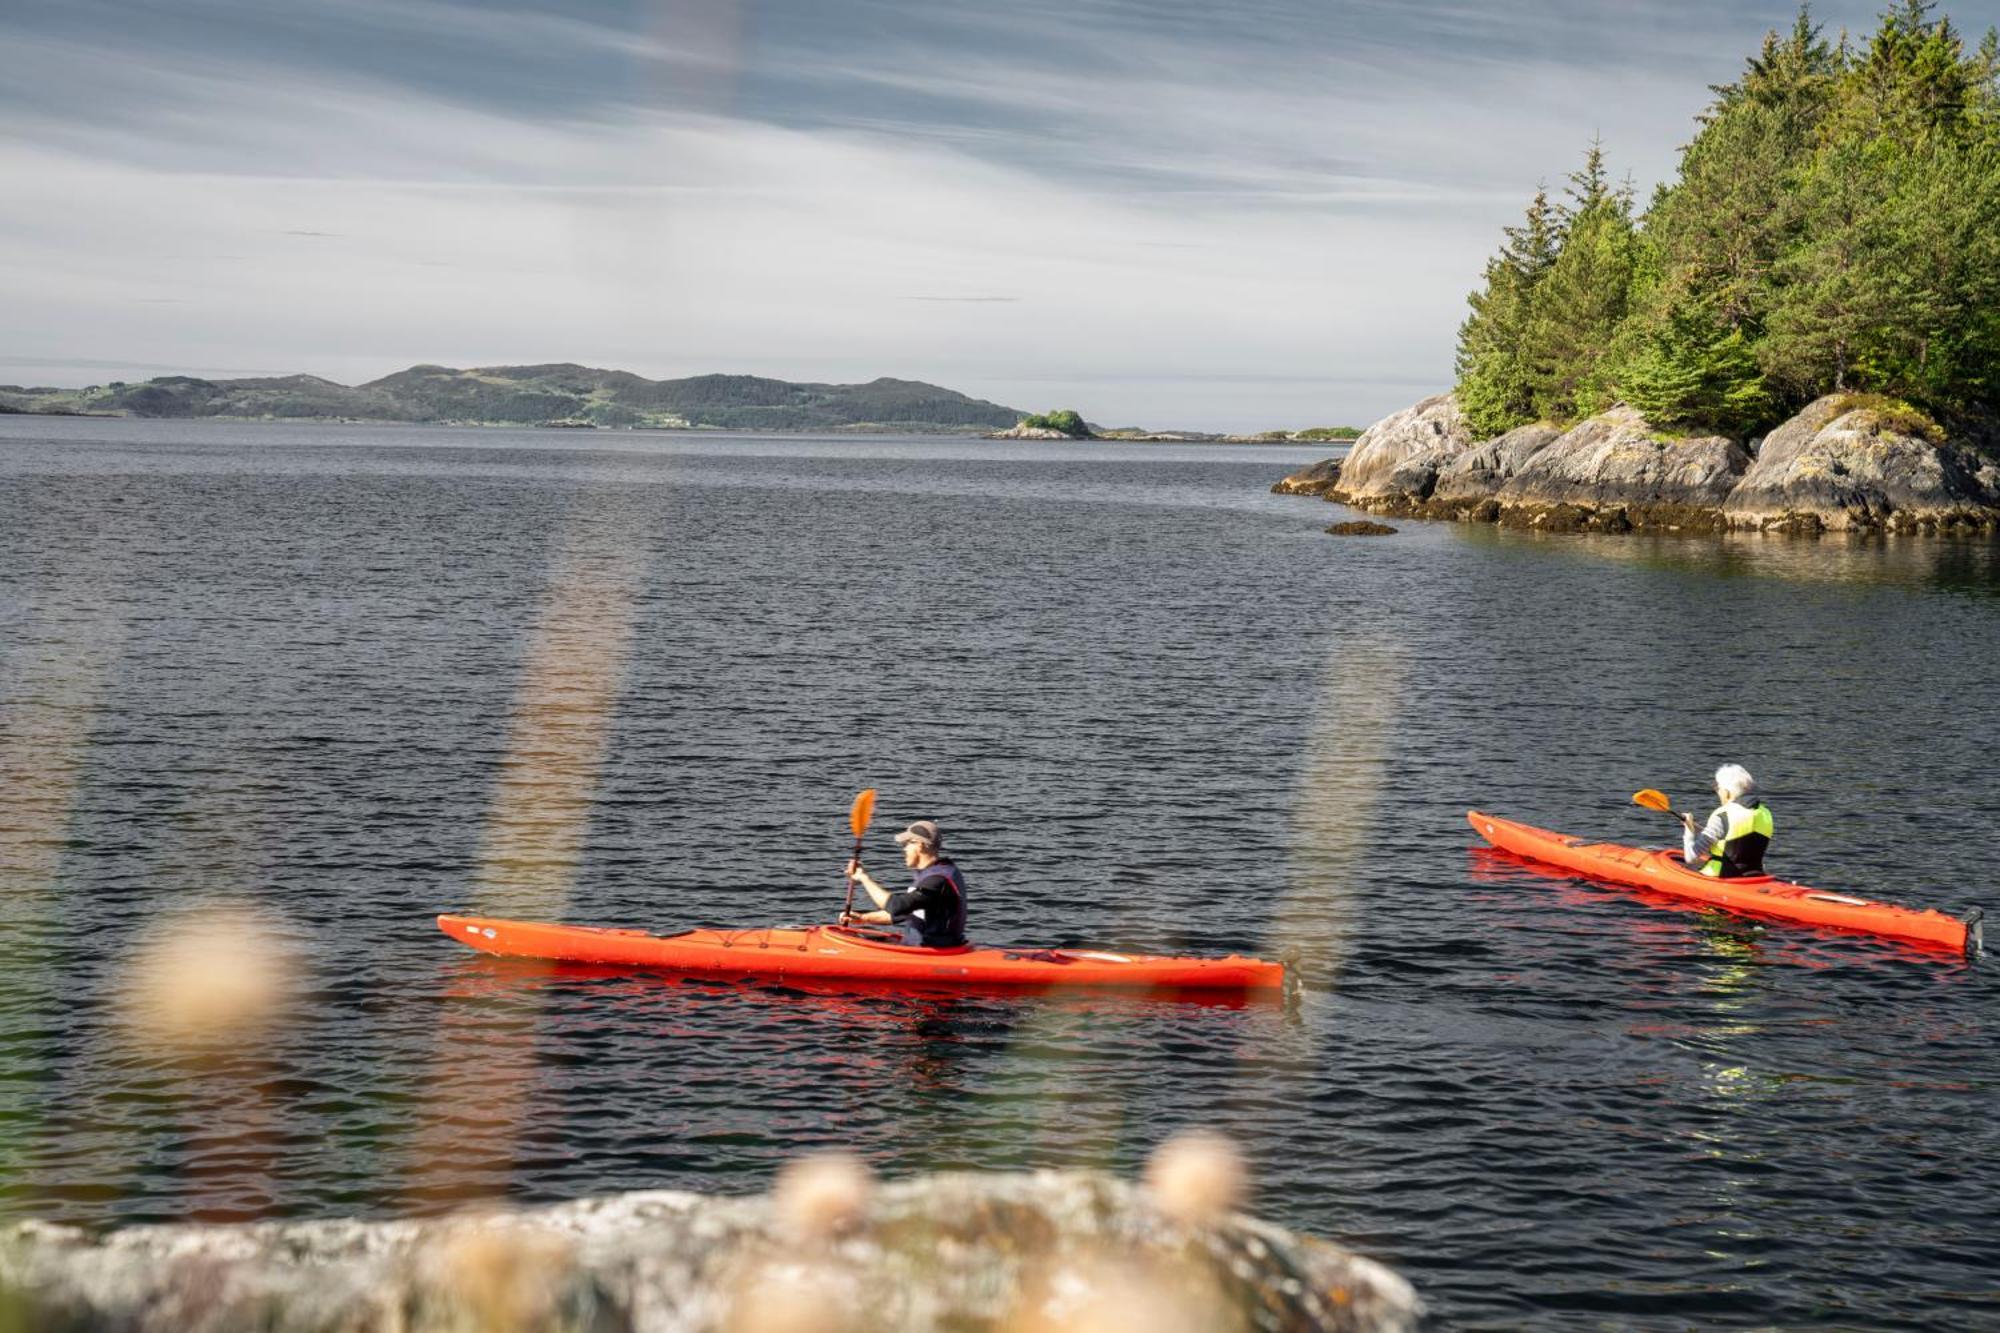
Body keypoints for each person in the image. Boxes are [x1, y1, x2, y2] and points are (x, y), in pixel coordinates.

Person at [843, 819, 968, 948]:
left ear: (919, 844)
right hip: (920, 949)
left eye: (907, 844)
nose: (904, 849)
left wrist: (864, 878)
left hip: (932, 954)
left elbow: (897, 906)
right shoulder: (934, 872)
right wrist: (863, 918)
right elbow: (906, 911)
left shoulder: (937, 880)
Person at [1681, 764, 1774, 877]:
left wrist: (1689, 831)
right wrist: (1698, 829)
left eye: (1718, 788)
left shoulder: (1723, 815)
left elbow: (1690, 857)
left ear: (1726, 792)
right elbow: (1736, 838)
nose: (1718, 792)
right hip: (1754, 876)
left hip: (1721, 877)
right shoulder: (1765, 813)